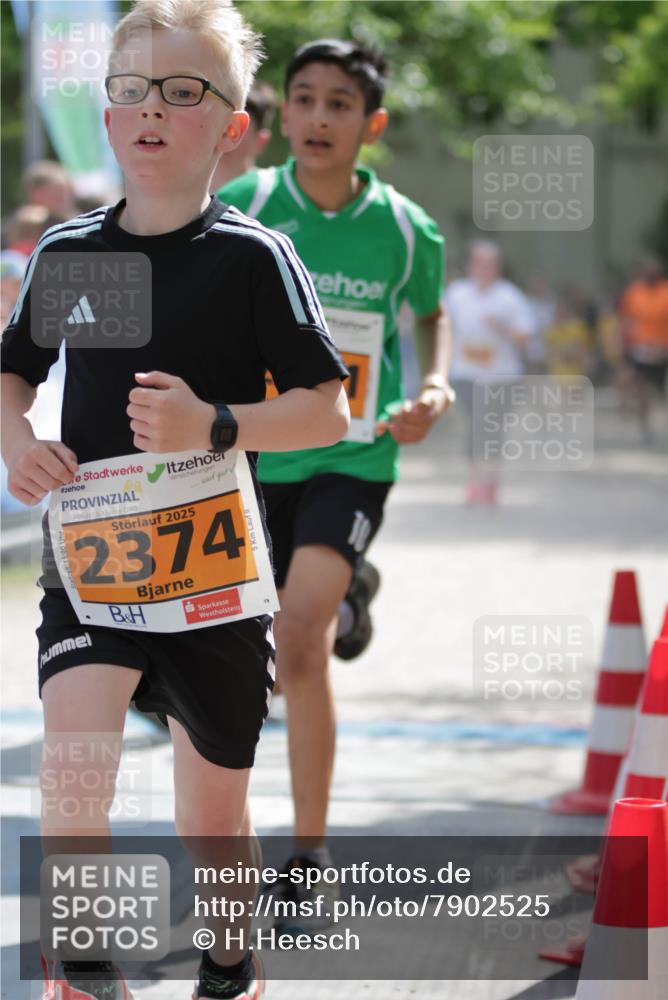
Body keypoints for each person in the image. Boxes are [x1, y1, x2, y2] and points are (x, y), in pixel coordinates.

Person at [1, 2, 349, 999]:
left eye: (183, 91)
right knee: (75, 768)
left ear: (232, 128)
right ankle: (84, 967)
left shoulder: (252, 258)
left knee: (211, 818)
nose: (152, 108)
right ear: (109, 116)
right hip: (94, 561)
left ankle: (230, 959)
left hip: (213, 578)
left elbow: (327, 412)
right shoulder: (71, 255)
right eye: (133, 90)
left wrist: (216, 424)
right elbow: (12, 373)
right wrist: (19, 443)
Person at [218, 38, 453, 912]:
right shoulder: (246, 206)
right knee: (244, 654)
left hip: (353, 455)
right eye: (305, 99)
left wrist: (435, 385)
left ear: (372, 125)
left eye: (340, 104)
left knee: (299, 637)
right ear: (283, 113)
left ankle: (308, 849)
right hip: (252, 455)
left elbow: (431, 314)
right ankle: (350, 595)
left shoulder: (405, 227)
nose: (319, 117)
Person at [444, 240, 535, 505]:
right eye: (480, 263)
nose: (484, 268)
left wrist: (502, 328)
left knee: (491, 426)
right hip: (465, 373)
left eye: (490, 264)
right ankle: (475, 479)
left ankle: (490, 476)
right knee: (475, 424)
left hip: (501, 376)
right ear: (471, 265)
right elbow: (441, 327)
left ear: (498, 267)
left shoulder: (510, 296)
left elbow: (526, 336)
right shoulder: (456, 293)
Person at [616, 257, 668, 441]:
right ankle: (645, 427)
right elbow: (625, 320)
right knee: (642, 390)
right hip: (640, 349)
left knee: (659, 392)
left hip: (663, 349)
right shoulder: (634, 292)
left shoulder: (665, 291)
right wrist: (622, 344)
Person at [211, 80, 277, 190]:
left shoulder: (270, 192)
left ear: (262, 141)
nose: (226, 135)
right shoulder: (185, 187)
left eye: (239, 130)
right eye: (224, 124)